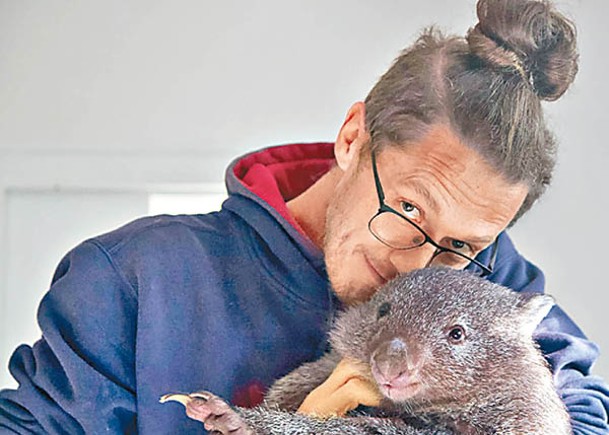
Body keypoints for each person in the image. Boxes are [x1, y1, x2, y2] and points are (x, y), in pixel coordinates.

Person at [1, 0, 608, 433]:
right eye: (407, 207)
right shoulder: (137, 277)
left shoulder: (490, 284)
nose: (417, 269)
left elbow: (582, 404)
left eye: (460, 244)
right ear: (352, 137)